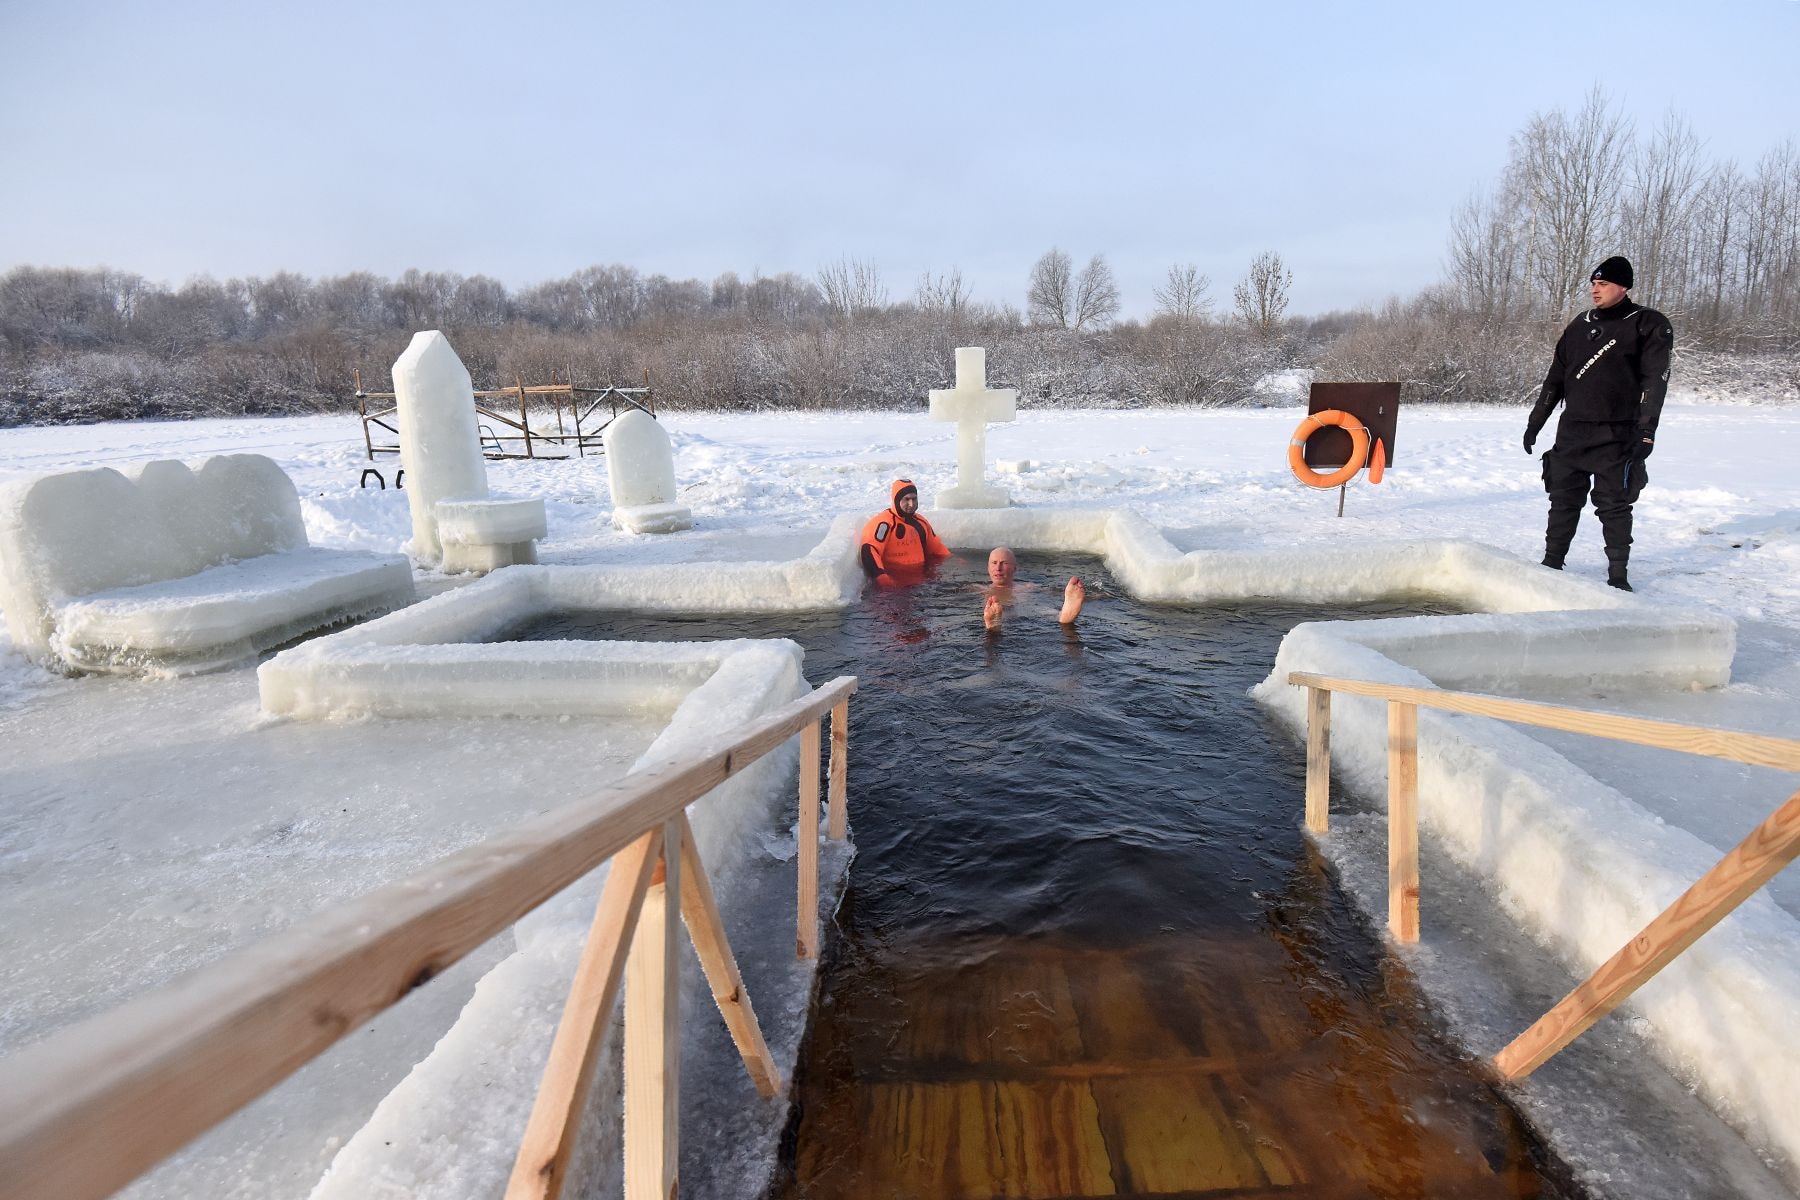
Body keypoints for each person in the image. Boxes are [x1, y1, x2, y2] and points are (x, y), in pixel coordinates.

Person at [1523, 255, 1674, 592]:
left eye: (1603, 284)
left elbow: (1655, 382)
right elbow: (1555, 380)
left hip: (1617, 433)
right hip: (1573, 432)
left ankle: (1618, 576)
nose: (1595, 289)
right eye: (1593, 283)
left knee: (1614, 505)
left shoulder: (1647, 324)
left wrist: (1646, 431)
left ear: (1624, 286)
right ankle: (1552, 562)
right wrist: (1535, 423)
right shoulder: (1579, 325)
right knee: (1562, 500)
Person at [858, 479, 951, 586]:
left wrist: (956, 562)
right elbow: (869, 550)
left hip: (922, 579)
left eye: (914, 499)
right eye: (906, 499)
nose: (911, 504)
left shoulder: (921, 522)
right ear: (896, 500)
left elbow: (937, 547)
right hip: (895, 583)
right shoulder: (884, 523)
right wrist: (882, 577)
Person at [981, 546, 1085, 630]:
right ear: (988, 568)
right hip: (1013, 617)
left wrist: (1076, 595)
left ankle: (1064, 616)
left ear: (1014, 568)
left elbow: (1052, 592)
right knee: (1001, 613)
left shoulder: (1028, 587)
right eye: (994, 563)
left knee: (1043, 610)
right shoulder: (978, 588)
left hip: (1023, 612)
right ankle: (994, 624)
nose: (998, 568)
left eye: (1004, 563)